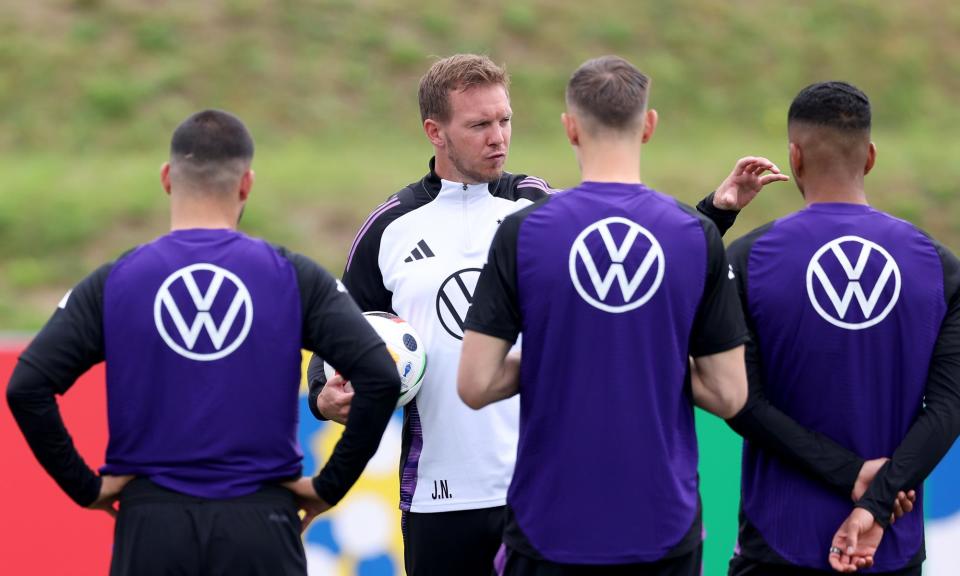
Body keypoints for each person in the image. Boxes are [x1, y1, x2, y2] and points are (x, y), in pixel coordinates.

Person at [307, 53, 777, 575]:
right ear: (434, 132)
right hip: (441, 495)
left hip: (542, 489)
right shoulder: (390, 227)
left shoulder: (536, 211)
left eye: (504, 120)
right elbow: (337, 336)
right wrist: (322, 392)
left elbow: (625, 259)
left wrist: (715, 211)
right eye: (479, 124)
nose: (498, 137)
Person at [6, 109, 401, 576]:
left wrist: (85, 486)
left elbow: (26, 387)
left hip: (152, 526)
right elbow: (379, 376)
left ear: (168, 178)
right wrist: (330, 484)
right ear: (247, 184)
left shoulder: (117, 281)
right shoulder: (292, 276)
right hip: (261, 522)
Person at [457, 53, 793, 574]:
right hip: (662, 524)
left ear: (571, 129)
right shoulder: (694, 234)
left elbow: (475, 384)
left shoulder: (523, 234)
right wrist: (652, 358)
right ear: (649, 126)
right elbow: (729, 395)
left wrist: (558, 355)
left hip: (550, 524)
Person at [725, 82, 960, 575]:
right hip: (889, 545)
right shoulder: (941, 268)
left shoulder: (748, 261)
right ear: (870, 156)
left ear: (794, 156)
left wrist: (852, 475)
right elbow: (948, 407)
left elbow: (740, 401)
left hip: (777, 539)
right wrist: (878, 499)